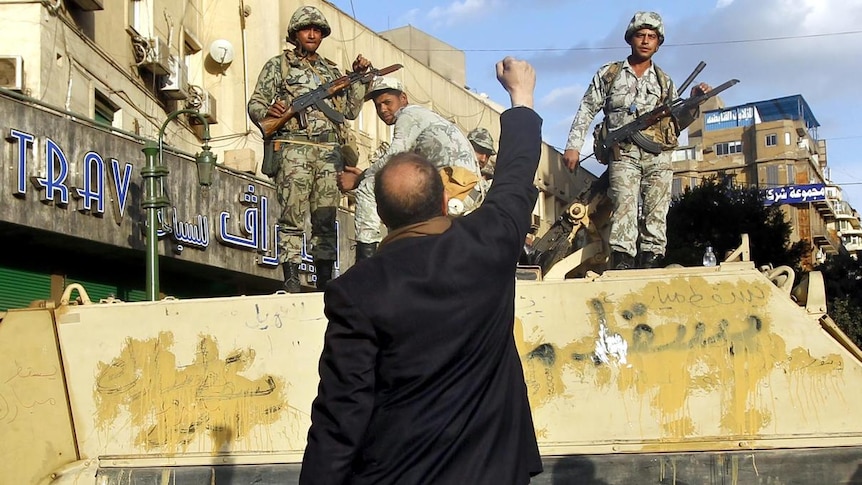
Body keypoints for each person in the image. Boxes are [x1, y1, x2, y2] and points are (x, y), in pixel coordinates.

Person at [299, 57, 544, 485]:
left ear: (383, 212)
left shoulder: (356, 290)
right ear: (440, 197)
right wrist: (521, 97)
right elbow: (515, 175)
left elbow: (340, 416)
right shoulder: (488, 243)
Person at [561, 11, 710, 270]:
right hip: (624, 153)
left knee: (656, 210)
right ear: (630, 39)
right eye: (640, 35)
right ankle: (623, 261)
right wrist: (573, 145)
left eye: (652, 36)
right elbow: (586, 109)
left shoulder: (664, 82)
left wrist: (695, 102)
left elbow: (677, 123)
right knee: (624, 206)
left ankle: (652, 260)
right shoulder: (610, 74)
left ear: (658, 42)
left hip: (658, 155)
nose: (645, 40)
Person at [247, 6, 371, 292]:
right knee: (292, 216)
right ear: (295, 34)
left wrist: (360, 79)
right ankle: (291, 278)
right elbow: (255, 104)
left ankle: (324, 280)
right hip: (294, 149)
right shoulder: (279, 66)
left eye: (317, 30)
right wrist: (271, 109)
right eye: (306, 29)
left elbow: (350, 111)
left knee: (326, 219)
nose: (312, 34)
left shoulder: (332, 70)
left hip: (329, 152)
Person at [337, 77, 482, 261]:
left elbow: (393, 156)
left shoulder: (409, 115)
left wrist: (359, 179)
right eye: (377, 105)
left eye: (387, 102)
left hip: (457, 185)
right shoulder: (425, 118)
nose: (383, 109)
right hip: (464, 188)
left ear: (403, 99)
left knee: (369, 187)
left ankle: (366, 262)